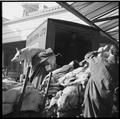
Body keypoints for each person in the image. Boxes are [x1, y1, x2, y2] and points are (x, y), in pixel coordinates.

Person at [82, 45, 119, 117]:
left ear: (110, 52)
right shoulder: (116, 68)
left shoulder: (99, 62)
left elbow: (87, 56)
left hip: (92, 101)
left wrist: (99, 51)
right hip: (107, 104)